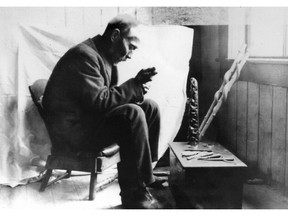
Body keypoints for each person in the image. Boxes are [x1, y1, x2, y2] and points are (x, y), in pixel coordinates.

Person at [42, 14, 165, 209]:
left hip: (87, 123)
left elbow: (106, 101)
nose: (131, 54)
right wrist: (133, 86)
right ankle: (133, 195)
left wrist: (137, 87)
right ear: (115, 36)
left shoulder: (103, 56)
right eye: (131, 46)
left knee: (149, 107)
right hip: (72, 135)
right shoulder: (84, 56)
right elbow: (101, 102)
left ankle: (145, 174)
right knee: (132, 114)